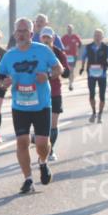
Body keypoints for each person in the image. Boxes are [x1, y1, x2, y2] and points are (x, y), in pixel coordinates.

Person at [0, 18, 62, 194]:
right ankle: (28, 179)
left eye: (25, 31)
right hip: (20, 106)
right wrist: (5, 84)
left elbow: (59, 69)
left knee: (41, 144)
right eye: (18, 31)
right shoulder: (9, 55)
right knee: (22, 142)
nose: (21, 34)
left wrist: (47, 74)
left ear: (31, 34)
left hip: (41, 104)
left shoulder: (43, 50)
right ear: (15, 33)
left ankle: (43, 162)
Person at [38, 28, 69, 160]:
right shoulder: (36, 52)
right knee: (41, 126)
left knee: (53, 123)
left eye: (48, 38)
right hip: (39, 92)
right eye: (44, 37)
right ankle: (42, 145)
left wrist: (59, 70)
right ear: (40, 38)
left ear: (53, 38)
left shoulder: (58, 53)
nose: (46, 40)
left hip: (55, 91)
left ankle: (50, 151)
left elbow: (67, 73)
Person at [80, 28, 108, 123]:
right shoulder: (88, 47)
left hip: (102, 74)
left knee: (102, 96)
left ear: (102, 37)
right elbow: (83, 57)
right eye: (96, 35)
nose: (97, 37)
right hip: (91, 74)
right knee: (92, 95)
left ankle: (100, 114)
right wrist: (82, 67)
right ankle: (94, 112)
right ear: (93, 36)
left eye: (99, 35)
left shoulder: (106, 48)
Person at [62, 24, 82, 91]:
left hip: (73, 55)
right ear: (67, 30)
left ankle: (70, 84)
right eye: (68, 29)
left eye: (70, 29)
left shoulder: (75, 36)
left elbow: (80, 44)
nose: (69, 30)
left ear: (72, 30)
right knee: (68, 69)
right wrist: (65, 48)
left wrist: (77, 47)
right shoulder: (64, 37)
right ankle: (70, 81)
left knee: (72, 70)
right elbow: (60, 46)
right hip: (66, 56)